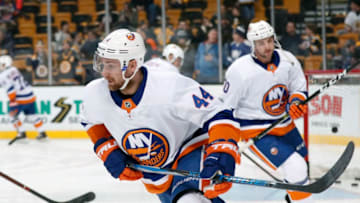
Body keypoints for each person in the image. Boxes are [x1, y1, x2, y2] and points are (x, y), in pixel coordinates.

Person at [81, 29, 242, 203]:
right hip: (156, 171)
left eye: (111, 65)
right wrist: (107, 149)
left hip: (189, 148)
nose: (104, 72)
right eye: (102, 64)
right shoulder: (95, 93)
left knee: (189, 200)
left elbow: (218, 113)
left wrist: (223, 148)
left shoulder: (170, 86)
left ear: (133, 65)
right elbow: (89, 121)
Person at [220, 20, 312, 203]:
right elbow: (225, 108)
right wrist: (225, 142)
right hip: (256, 131)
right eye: (261, 43)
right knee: (296, 167)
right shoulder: (239, 71)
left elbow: (298, 86)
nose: (267, 46)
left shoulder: (288, 60)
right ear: (252, 44)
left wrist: (296, 101)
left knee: (303, 168)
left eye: (269, 41)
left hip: (285, 124)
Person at [0, 55, 48, 144]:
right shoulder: (14, 69)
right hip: (30, 95)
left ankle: (22, 134)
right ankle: (42, 133)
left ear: (4, 64)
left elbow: (11, 89)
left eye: (1, 64)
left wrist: (12, 101)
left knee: (12, 115)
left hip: (20, 98)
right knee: (32, 115)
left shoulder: (3, 75)